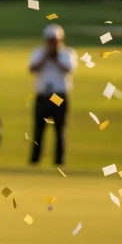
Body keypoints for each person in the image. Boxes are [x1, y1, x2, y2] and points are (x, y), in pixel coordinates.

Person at [29, 23, 75, 166]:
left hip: (59, 96)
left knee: (60, 130)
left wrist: (55, 59)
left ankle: (59, 162)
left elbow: (68, 69)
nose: (52, 43)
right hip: (43, 95)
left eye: (54, 40)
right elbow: (32, 68)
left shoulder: (67, 53)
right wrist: (45, 58)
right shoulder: (39, 53)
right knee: (38, 130)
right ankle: (35, 160)